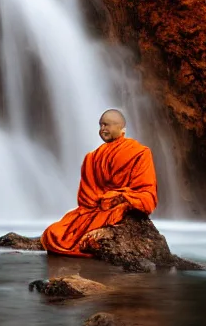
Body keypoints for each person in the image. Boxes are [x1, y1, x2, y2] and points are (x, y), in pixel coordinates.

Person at [41, 109, 158, 256]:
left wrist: (119, 196)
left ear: (121, 128)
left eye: (107, 125)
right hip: (95, 208)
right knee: (54, 232)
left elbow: (145, 190)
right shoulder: (92, 157)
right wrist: (100, 200)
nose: (102, 129)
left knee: (78, 236)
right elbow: (85, 197)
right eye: (101, 125)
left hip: (120, 204)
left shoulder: (139, 152)